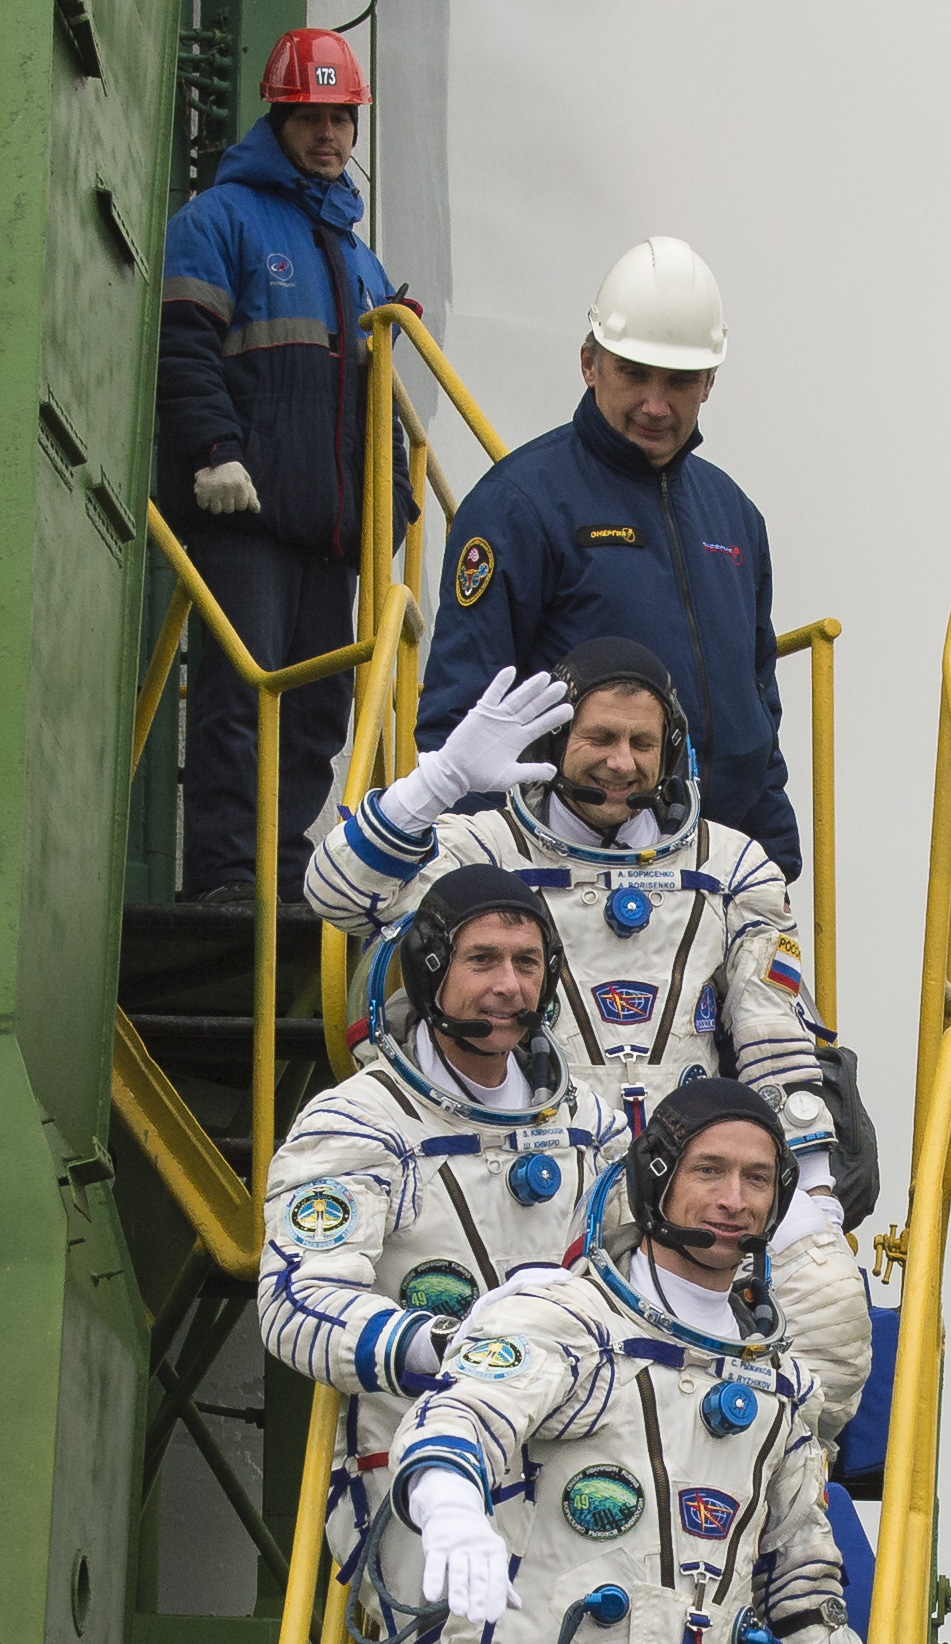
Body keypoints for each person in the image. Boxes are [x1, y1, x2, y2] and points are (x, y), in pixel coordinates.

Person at [305, 637, 871, 1446]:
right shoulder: (482, 847)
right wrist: (441, 782)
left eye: (641, 744)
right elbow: (335, 892)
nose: (620, 763)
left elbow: (770, 1028)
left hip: (690, 1179)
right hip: (537, 1162)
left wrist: (808, 1190)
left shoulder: (730, 863)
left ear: (670, 752)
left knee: (825, 1304)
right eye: (599, 739)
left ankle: (769, 1513)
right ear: (554, 745)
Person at [383, 1079, 861, 1644]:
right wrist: (450, 1503)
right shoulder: (567, 1319)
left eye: (756, 1178)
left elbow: (802, 1578)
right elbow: (462, 1415)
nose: (735, 1200)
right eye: (708, 1170)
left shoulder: (778, 1384)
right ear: (655, 1178)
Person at [257, 864, 626, 1591]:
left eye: (527, 963)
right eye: (482, 959)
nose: (509, 986)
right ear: (430, 970)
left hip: (579, 1469)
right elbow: (295, 1302)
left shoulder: (592, 1126)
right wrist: (443, 1348)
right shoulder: (361, 1121)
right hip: (411, 1469)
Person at [413, 236, 801, 881]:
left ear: (709, 382)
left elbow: (758, 709)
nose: (655, 403)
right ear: (590, 363)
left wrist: (776, 861)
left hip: (713, 873)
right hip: (567, 874)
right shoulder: (519, 505)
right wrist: (487, 890)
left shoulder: (735, 517)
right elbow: (461, 714)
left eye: (678, 380)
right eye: (634, 374)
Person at [157, 28, 418, 901]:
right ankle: (230, 879)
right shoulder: (217, 222)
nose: (329, 136)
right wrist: (211, 453)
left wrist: (393, 505)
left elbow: (383, 402)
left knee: (315, 714)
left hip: (331, 529)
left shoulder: (359, 258)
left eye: (342, 119)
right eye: (311, 116)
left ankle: (283, 872)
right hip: (245, 514)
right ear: (278, 118)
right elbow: (184, 348)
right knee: (242, 698)